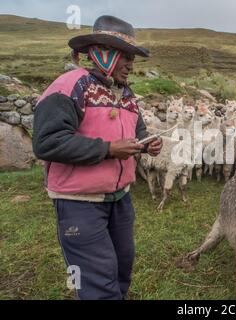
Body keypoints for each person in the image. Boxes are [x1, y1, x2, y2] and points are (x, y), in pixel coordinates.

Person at [32, 15, 162, 300]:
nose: (131, 65)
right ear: (104, 54)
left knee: (121, 269)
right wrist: (107, 149)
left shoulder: (125, 95)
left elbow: (137, 132)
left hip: (120, 200)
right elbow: (47, 142)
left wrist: (147, 145)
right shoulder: (70, 86)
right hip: (80, 203)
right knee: (98, 281)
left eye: (133, 58)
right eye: (125, 57)